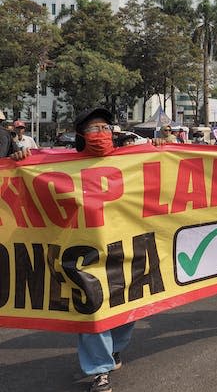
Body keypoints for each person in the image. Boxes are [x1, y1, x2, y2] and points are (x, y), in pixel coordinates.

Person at [72, 108, 137, 392]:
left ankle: (114, 349)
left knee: (129, 306)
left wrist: (160, 147)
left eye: (105, 127)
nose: (101, 134)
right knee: (92, 309)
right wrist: (20, 160)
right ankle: (100, 370)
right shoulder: (64, 165)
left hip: (126, 248)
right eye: (93, 128)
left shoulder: (134, 161)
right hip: (83, 254)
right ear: (80, 135)